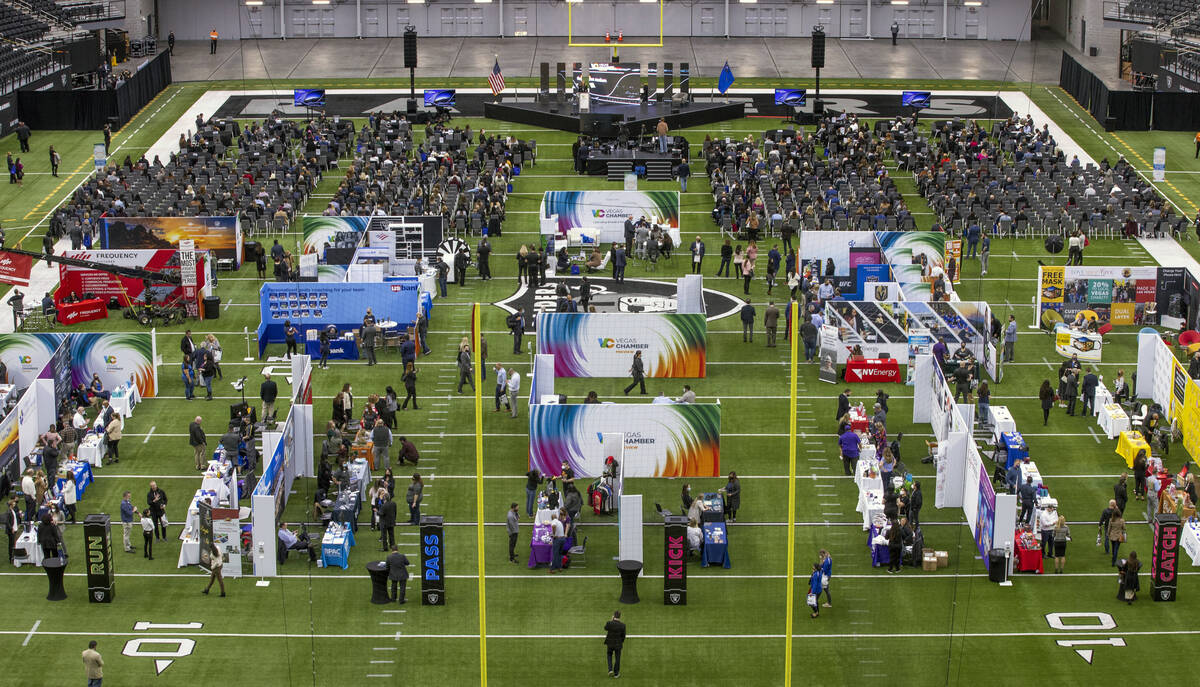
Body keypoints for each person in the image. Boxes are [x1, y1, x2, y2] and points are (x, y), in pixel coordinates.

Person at [604, 610, 626, 677]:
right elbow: (623, 636)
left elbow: (605, 628)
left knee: (609, 655)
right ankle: (616, 673)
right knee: (617, 658)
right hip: (618, 644)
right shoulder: (623, 625)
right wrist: (620, 642)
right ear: (620, 616)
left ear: (614, 616)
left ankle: (610, 669)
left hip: (610, 643)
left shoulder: (609, 623)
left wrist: (611, 620)